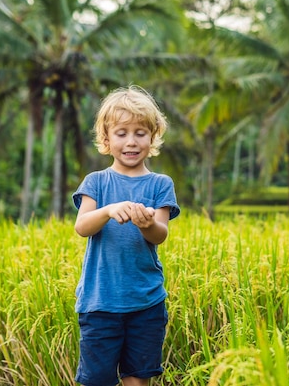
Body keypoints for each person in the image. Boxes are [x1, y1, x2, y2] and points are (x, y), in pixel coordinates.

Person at [72, 85, 180, 386]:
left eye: (140, 133)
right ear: (106, 139)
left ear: (153, 136)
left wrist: (145, 223)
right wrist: (109, 210)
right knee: (97, 380)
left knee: (138, 378)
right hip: (100, 303)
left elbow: (159, 235)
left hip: (146, 302)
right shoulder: (96, 182)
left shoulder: (160, 184)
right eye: (121, 133)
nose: (131, 142)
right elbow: (82, 227)